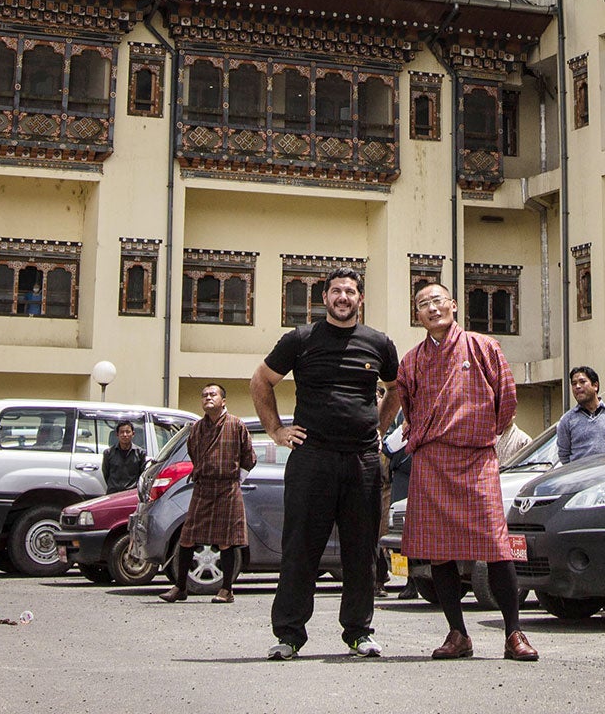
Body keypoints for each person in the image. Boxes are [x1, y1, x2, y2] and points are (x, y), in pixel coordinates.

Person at [250, 264, 399, 661]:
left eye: (350, 291)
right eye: (336, 291)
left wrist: (379, 427)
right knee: (300, 549)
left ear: (360, 298)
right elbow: (261, 381)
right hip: (311, 458)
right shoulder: (300, 340)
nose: (343, 297)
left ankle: (358, 633)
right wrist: (277, 430)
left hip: (363, 461)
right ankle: (289, 636)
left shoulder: (379, 343)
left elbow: (397, 390)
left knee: (361, 550)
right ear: (325, 298)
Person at [393, 280, 537, 663]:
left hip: (476, 458)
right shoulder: (410, 361)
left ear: (453, 305)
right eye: (423, 304)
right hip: (431, 462)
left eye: (438, 300)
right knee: (438, 553)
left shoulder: (483, 346)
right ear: (417, 315)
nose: (432, 308)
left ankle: (514, 633)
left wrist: (480, 433)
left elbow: (506, 400)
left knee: (497, 547)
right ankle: (458, 633)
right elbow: (408, 408)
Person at [158, 384, 256, 604]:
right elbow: (193, 452)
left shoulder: (236, 425)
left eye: (213, 394)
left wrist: (234, 480)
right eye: (204, 395)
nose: (208, 398)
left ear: (223, 400)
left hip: (228, 488)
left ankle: (226, 590)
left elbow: (249, 457)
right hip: (203, 487)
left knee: (226, 541)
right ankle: (180, 587)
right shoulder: (197, 428)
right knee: (187, 538)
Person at [555, 366, 605, 463]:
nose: (577, 387)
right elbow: (564, 455)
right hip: (581, 476)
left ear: (595, 385)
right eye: (574, 384)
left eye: (582, 382)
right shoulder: (567, 420)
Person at [102, 421, 145, 494]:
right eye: (121, 432)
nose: (125, 435)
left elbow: (142, 475)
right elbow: (106, 473)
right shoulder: (108, 453)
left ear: (133, 434)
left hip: (131, 494)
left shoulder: (140, 453)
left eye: (128, 432)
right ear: (117, 434)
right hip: (113, 493)